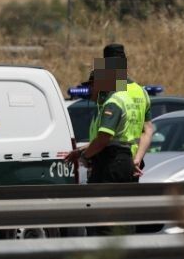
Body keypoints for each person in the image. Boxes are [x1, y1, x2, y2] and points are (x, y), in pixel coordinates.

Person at [64, 46, 152, 183]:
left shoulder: (114, 98)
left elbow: (105, 138)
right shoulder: (141, 92)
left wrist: (85, 156)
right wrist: (137, 159)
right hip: (130, 163)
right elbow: (148, 130)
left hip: (111, 161)